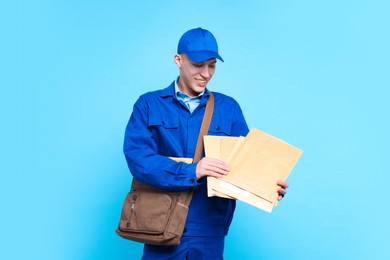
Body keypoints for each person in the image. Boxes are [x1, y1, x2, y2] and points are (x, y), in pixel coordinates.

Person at [123, 27, 289, 260]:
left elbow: (244, 164)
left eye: (211, 65)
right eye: (198, 65)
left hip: (209, 230)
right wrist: (193, 170)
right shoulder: (149, 104)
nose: (206, 73)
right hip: (161, 223)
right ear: (178, 60)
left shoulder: (228, 108)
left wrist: (268, 187)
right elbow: (139, 159)